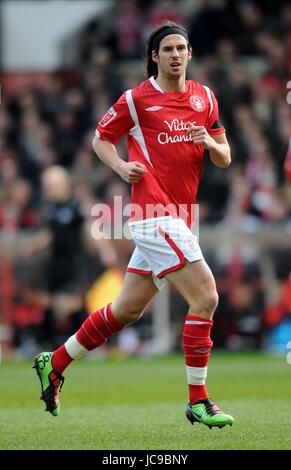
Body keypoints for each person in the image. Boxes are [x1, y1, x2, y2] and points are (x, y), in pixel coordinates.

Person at [33, 22, 234, 429]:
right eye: (167, 50)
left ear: (190, 54)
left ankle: (54, 362)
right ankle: (199, 401)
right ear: (154, 57)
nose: (175, 55)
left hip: (181, 218)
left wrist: (211, 144)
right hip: (151, 215)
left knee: (126, 310)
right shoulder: (136, 99)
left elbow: (224, 157)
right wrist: (121, 165)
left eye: (181, 48)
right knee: (206, 297)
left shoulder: (205, 98)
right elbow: (99, 138)